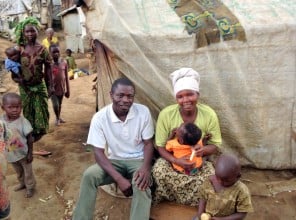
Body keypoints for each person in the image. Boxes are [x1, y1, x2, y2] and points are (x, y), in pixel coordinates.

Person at [72, 78, 154, 220]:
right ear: (111, 95)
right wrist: (119, 179)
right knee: (89, 175)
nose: (125, 100)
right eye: (120, 95)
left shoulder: (143, 112)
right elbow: (98, 152)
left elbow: (148, 143)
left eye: (130, 96)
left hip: (138, 159)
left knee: (141, 183)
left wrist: (146, 168)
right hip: (114, 160)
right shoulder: (100, 118)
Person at [151, 67, 222, 206]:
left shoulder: (209, 114)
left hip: (198, 161)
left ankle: (196, 203)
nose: (186, 100)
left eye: (190, 94)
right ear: (176, 98)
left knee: (210, 177)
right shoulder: (166, 114)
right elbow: (160, 146)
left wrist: (203, 151)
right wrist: (176, 160)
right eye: (180, 96)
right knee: (158, 171)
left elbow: (215, 144)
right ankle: (168, 200)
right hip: (172, 160)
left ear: (198, 94)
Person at [13, 17, 52, 142]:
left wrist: (50, 85)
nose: (30, 34)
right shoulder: (20, 49)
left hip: (39, 84)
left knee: (42, 109)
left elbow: (48, 69)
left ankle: (39, 132)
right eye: (27, 31)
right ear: (23, 33)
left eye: (32, 31)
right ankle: (29, 134)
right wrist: (17, 79)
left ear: (37, 31)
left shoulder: (43, 49)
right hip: (25, 86)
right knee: (28, 109)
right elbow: (12, 66)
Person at [193, 153, 253, 220]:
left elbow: (242, 214)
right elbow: (202, 198)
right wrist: (200, 214)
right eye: (217, 177)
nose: (220, 182)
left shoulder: (241, 191)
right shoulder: (209, 182)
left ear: (238, 176)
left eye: (226, 180)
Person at [0, 93, 36, 198]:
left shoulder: (23, 122)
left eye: (17, 107)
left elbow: (30, 138)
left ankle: (30, 187)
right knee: (19, 171)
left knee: (28, 172)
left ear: (21, 107)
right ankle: (22, 183)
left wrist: (30, 153)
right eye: (10, 107)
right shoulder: (0, 121)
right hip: (10, 154)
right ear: (3, 107)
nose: (15, 110)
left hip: (23, 153)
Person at [49, 44, 70, 125]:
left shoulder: (64, 62)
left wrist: (68, 90)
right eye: (54, 52)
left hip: (61, 88)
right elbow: (46, 78)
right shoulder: (49, 64)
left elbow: (67, 77)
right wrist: (49, 88)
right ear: (50, 53)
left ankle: (59, 117)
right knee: (55, 105)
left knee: (60, 104)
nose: (56, 54)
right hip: (53, 89)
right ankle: (57, 118)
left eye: (57, 52)